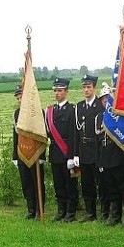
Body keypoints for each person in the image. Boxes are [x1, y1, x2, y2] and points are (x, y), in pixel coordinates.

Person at [96, 83, 124, 226]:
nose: (106, 102)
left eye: (108, 98)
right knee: (111, 189)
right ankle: (115, 215)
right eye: (103, 99)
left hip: (119, 156)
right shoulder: (99, 117)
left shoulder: (120, 116)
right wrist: (99, 161)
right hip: (105, 157)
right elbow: (98, 141)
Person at [72, 73, 104, 222]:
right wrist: (76, 154)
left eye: (89, 87)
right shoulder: (78, 107)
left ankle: (104, 212)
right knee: (87, 183)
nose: (86, 90)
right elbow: (75, 132)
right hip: (83, 149)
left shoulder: (100, 105)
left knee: (101, 182)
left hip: (97, 149)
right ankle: (90, 212)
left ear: (94, 88)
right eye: (84, 87)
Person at [46, 77, 78, 222]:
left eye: (60, 91)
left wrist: (72, 156)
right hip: (54, 152)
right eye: (56, 91)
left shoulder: (72, 110)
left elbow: (73, 134)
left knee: (69, 184)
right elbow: (48, 133)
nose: (57, 93)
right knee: (58, 183)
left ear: (66, 92)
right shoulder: (50, 111)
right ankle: (61, 210)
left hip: (66, 152)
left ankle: (71, 212)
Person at [11, 85, 42, 219]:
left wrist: (42, 156)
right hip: (22, 153)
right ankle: (31, 210)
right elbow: (15, 136)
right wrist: (15, 156)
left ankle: (39, 210)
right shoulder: (16, 114)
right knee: (26, 183)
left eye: (21, 97)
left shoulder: (36, 112)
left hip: (35, 153)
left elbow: (42, 136)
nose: (19, 100)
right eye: (17, 98)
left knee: (37, 182)